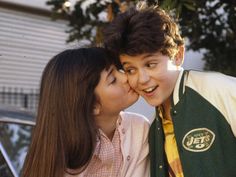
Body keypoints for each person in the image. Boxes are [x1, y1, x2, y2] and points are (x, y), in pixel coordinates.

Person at [103, 2, 236, 177]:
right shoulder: (152, 129)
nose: (142, 79)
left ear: (178, 55)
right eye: (130, 70)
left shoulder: (221, 91)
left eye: (150, 64)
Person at [21, 47, 150, 177]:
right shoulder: (64, 156)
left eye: (119, 69)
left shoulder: (138, 128)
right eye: (112, 80)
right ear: (92, 105)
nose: (125, 77)